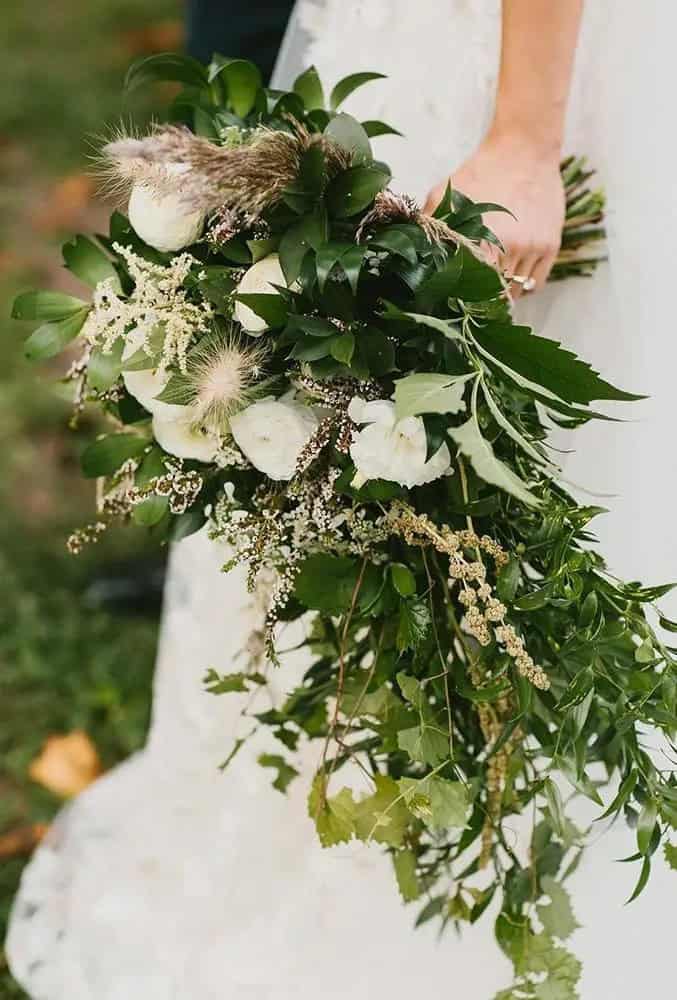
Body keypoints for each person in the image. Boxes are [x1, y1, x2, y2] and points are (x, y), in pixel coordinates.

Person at [8, 2, 675, 998]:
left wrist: (524, 137)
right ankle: (360, 817)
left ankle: (510, 849)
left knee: (523, 451)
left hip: (537, 67)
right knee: (339, 402)